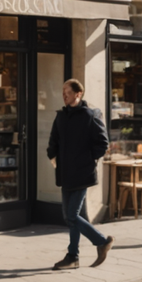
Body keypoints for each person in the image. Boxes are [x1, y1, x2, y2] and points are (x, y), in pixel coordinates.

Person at [46, 79, 112, 270]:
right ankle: (73, 257)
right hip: (65, 173)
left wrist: (87, 160)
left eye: (67, 92)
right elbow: (53, 140)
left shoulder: (90, 115)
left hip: (82, 173)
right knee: (69, 217)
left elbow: (103, 144)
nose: (64, 96)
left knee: (72, 215)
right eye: (63, 92)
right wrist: (53, 156)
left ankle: (101, 242)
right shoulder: (61, 116)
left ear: (78, 94)